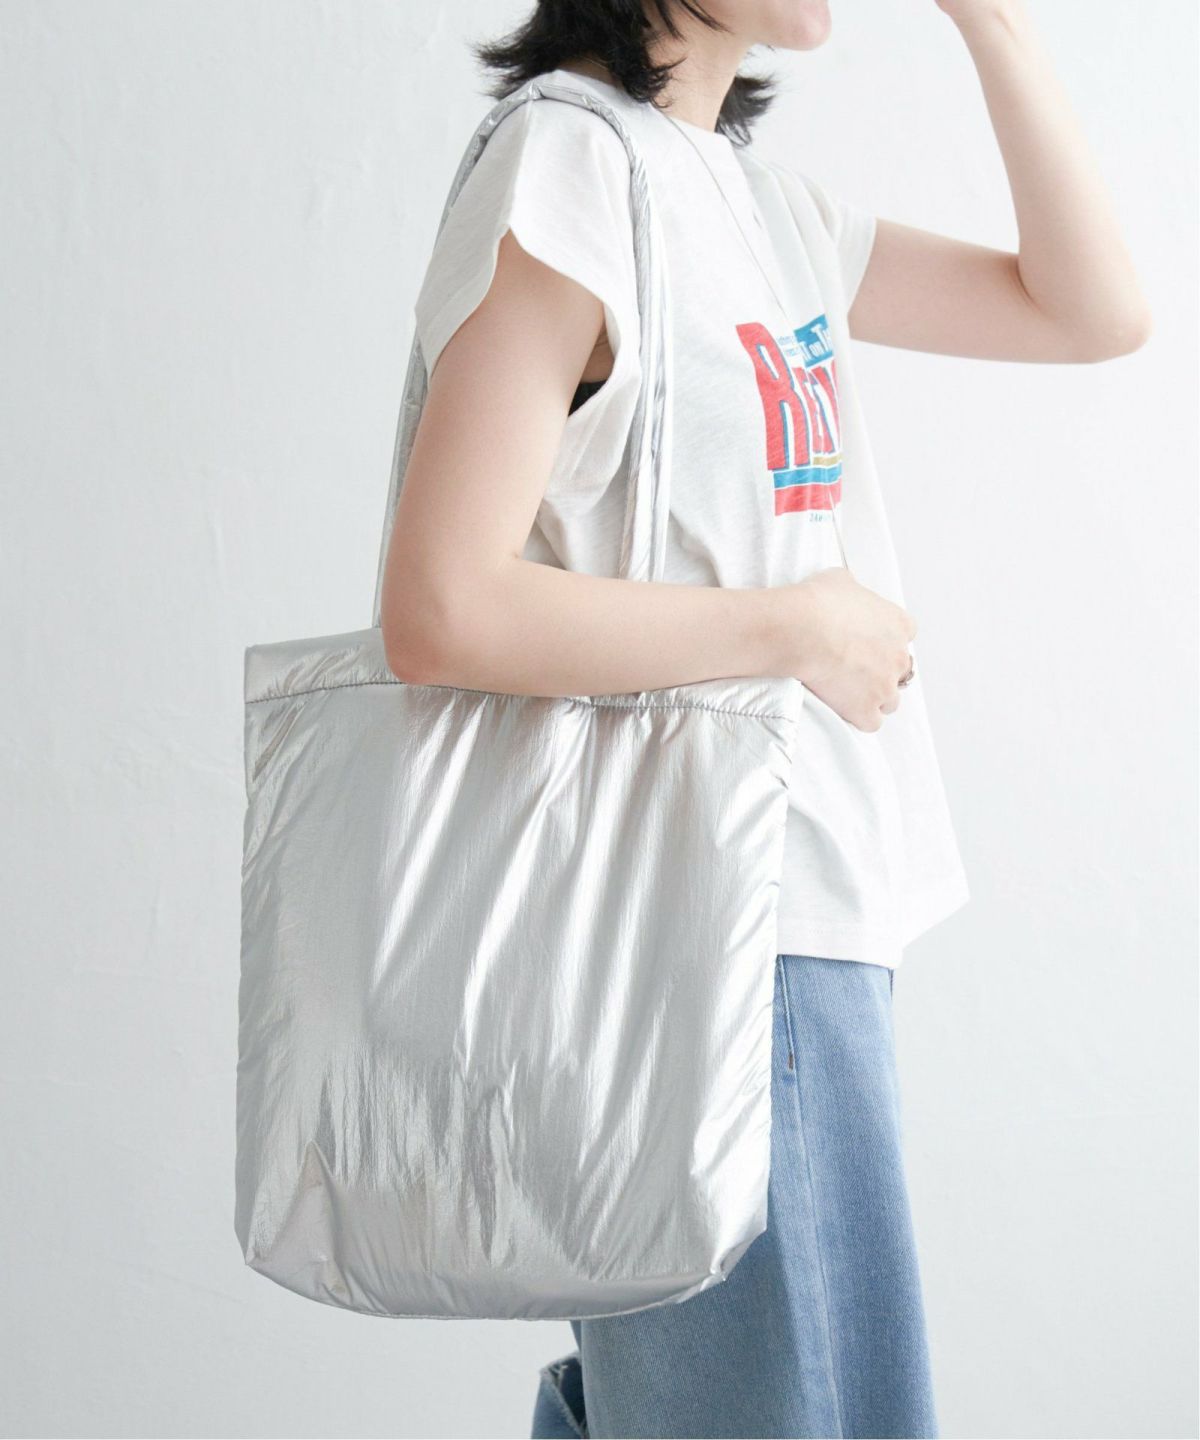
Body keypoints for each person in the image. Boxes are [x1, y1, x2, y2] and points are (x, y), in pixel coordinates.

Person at [379, 1, 1151, 1435]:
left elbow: (1092, 311)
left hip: (801, 921)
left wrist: (994, 25)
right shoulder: (570, 166)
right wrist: (793, 628)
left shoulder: (757, 204)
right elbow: (442, 604)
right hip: (702, 928)